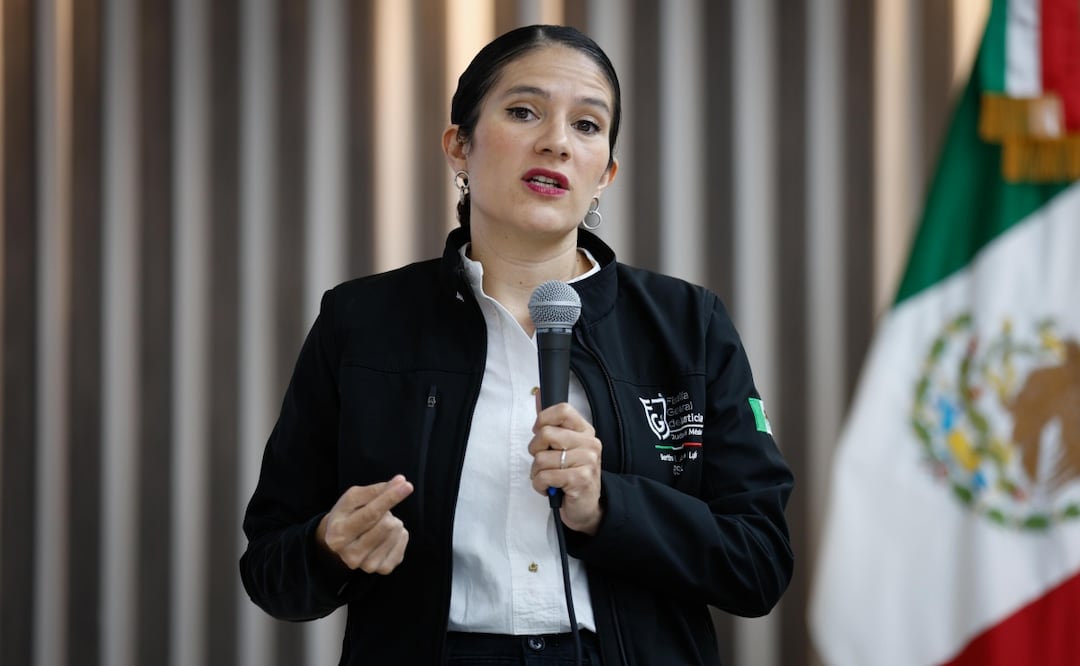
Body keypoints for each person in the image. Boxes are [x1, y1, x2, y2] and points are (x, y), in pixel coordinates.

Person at [239, 24, 794, 665]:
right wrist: (328, 546)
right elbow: (270, 568)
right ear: (459, 146)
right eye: (524, 111)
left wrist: (609, 504)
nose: (557, 141)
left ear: (605, 174)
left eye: (587, 126)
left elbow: (759, 564)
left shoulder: (686, 324)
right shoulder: (361, 320)